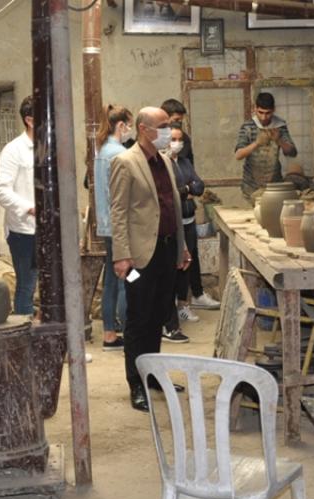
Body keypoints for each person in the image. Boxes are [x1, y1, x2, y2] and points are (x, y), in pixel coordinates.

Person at [110, 106, 191, 412]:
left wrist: (182, 247)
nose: (169, 131)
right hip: (138, 258)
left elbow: (172, 206)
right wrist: (122, 256)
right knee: (139, 318)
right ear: (144, 129)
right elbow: (118, 211)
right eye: (163, 125)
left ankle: (154, 374)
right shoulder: (125, 162)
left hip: (167, 251)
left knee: (159, 314)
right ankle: (136, 382)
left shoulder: (165, 161)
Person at [161, 123, 208, 345]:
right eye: (173, 139)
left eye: (180, 139)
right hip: (171, 224)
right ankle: (168, 324)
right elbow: (172, 194)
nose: (177, 143)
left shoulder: (185, 162)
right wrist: (186, 189)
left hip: (187, 222)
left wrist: (188, 189)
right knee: (169, 271)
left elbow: (200, 186)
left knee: (185, 265)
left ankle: (182, 306)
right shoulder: (163, 163)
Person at [0, 96, 37, 317]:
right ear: (29, 120)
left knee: (50, 285)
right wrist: (30, 208)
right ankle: (23, 329)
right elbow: (0, 190)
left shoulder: (48, 147)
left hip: (48, 229)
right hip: (23, 231)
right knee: (27, 286)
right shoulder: (14, 150)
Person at [93, 104, 131, 351]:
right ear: (121, 125)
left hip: (106, 226)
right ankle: (130, 330)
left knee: (110, 279)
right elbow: (120, 196)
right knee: (126, 278)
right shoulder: (119, 153)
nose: (130, 130)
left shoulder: (102, 151)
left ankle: (109, 334)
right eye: (129, 125)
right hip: (119, 227)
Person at [234, 92, 298, 200]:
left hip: (275, 185)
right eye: (261, 112)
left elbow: (292, 153)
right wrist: (257, 143)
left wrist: (278, 140)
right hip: (251, 186)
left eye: (268, 113)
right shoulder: (247, 126)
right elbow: (238, 155)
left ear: (273, 110)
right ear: (255, 108)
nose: (264, 117)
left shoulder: (279, 126)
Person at [160, 98, 193, 164]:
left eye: (181, 120)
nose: (179, 123)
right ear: (165, 117)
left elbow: (188, 164)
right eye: (176, 120)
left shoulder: (185, 138)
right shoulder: (153, 137)